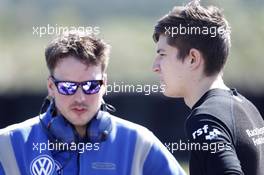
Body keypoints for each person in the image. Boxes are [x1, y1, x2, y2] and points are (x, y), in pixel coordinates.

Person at [0, 31, 186, 175]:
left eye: (90, 86)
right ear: (51, 86)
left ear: (104, 84)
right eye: (67, 87)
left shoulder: (140, 143)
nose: (80, 97)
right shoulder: (7, 145)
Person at [152, 1, 264, 175]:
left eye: (162, 55)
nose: (155, 66)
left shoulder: (205, 119)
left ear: (192, 59)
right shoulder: (247, 107)